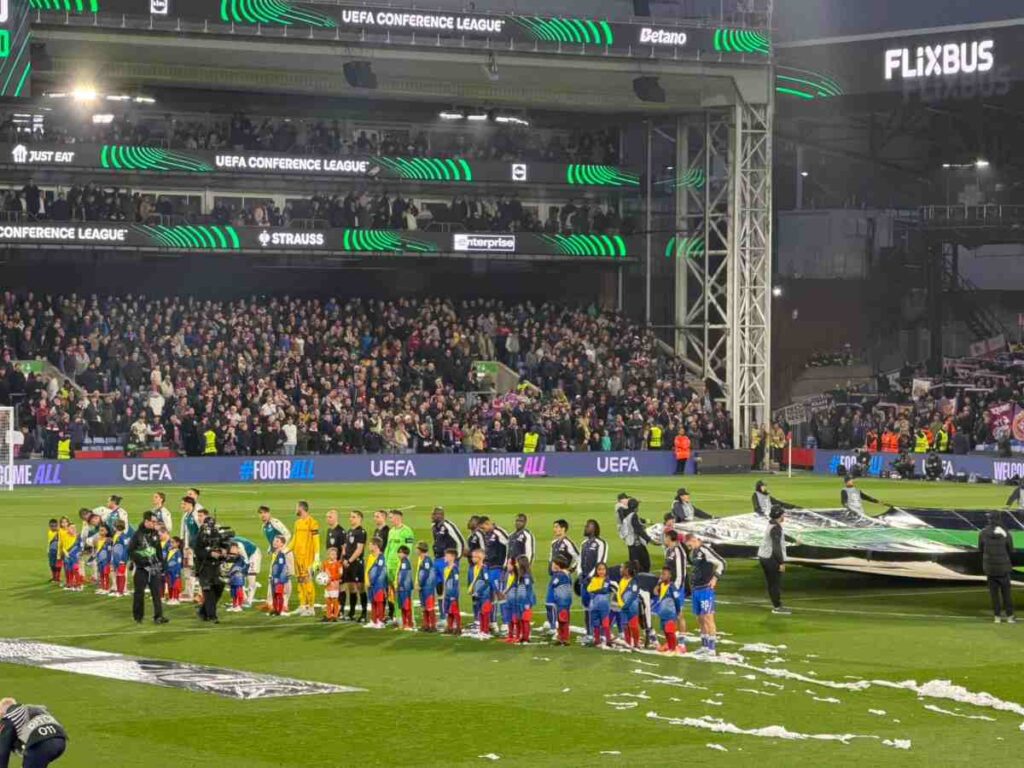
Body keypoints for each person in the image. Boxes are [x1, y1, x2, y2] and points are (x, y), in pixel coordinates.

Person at [685, 533, 725, 655]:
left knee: (708, 617)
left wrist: (715, 578)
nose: (689, 547)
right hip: (696, 589)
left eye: (689, 545)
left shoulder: (705, 550)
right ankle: (704, 646)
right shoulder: (694, 552)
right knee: (700, 619)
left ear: (694, 540)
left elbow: (722, 563)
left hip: (705, 589)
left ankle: (712, 649)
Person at [0, 697, 67, 768]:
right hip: (60, 740)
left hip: (40, 744)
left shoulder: (9, 718)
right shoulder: (36, 708)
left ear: (1, 711)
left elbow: (2, 751)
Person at [128, 511, 168, 625]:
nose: (155, 524)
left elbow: (158, 550)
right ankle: (138, 617)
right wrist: (142, 561)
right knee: (139, 593)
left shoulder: (154, 533)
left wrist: (162, 564)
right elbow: (131, 551)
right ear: (146, 521)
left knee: (157, 593)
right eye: (153, 522)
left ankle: (158, 616)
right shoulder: (137, 535)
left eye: (155, 522)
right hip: (142, 569)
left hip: (154, 568)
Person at [979, 511, 1016, 624]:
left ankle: (997, 617)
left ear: (989, 519)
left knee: (994, 595)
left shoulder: (983, 533)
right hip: (1003, 568)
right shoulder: (1005, 533)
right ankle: (1010, 617)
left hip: (990, 569)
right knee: (1007, 594)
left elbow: (981, 549)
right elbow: (1011, 550)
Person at [287, 501, 321, 617]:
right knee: (300, 581)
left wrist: (317, 557)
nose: (295, 509)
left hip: (308, 557)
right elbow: (295, 538)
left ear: (301, 508)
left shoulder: (312, 522)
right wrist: (286, 550)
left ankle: (311, 608)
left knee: (308, 581)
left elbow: (316, 540)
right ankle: (302, 605)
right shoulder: (297, 523)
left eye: (296, 507)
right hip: (298, 557)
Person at [193, 508, 226, 623]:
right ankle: (212, 616)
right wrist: (210, 553)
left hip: (215, 566)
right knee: (209, 591)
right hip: (204, 567)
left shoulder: (216, 533)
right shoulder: (200, 535)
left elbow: (223, 544)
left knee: (219, 587)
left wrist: (223, 551)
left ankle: (203, 611)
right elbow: (198, 551)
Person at [545, 519, 579, 633]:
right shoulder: (554, 543)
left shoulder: (568, 543)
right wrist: (550, 570)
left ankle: (562, 630)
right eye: (554, 527)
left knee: (562, 605)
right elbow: (551, 558)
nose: (554, 529)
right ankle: (553, 627)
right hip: (554, 576)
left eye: (557, 527)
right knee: (549, 603)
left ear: (563, 529)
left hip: (564, 578)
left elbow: (578, 557)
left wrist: (570, 570)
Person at [578, 519, 608, 643]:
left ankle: (602, 634)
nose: (585, 528)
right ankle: (589, 633)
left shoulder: (601, 543)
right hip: (584, 580)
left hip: (596, 580)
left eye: (588, 526)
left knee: (596, 607)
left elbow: (601, 561)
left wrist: (590, 576)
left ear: (594, 529)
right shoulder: (584, 543)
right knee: (586, 606)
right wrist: (580, 573)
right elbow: (580, 560)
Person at [383, 509, 415, 623]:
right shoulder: (391, 531)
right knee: (394, 593)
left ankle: (410, 618)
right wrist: (385, 562)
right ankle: (398, 617)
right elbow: (388, 547)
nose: (390, 520)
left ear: (398, 517)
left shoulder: (407, 531)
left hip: (400, 567)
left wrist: (402, 564)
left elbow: (408, 549)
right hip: (390, 566)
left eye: (391, 517)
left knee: (404, 593)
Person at [758, 509, 789, 614]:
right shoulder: (776, 528)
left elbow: (780, 536)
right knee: (775, 583)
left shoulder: (772, 524)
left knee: (772, 583)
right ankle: (777, 607)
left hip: (764, 556)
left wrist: (793, 540)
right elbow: (776, 547)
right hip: (771, 558)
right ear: (779, 515)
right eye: (783, 514)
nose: (784, 516)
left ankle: (776, 605)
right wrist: (781, 562)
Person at [260, 506, 292, 607]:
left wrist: (282, 548)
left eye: (265, 513)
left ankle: (285, 603)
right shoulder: (264, 526)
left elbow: (287, 534)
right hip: (276, 553)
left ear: (269, 513)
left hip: (284, 553)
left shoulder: (275, 523)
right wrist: (270, 547)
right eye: (261, 513)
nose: (263, 515)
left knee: (285, 577)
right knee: (271, 577)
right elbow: (272, 539)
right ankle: (269, 603)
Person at [431, 506, 466, 593]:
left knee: (450, 585)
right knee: (438, 585)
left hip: (448, 560)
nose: (431, 516)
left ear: (440, 515)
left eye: (434, 514)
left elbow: (460, 541)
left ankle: (452, 602)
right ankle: (441, 601)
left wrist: (457, 558)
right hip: (438, 559)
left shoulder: (448, 526)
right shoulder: (434, 526)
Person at [342, 510, 368, 622]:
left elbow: (359, 549)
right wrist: (344, 558)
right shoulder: (349, 531)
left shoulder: (361, 532)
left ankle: (364, 613)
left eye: (353, 517)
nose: (351, 519)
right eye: (350, 516)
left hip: (356, 563)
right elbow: (346, 547)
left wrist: (349, 560)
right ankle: (351, 612)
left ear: (359, 518)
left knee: (360, 588)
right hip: (348, 563)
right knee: (351, 587)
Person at [653, 567, 685, 655]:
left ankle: (673, 649)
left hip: (671, 612)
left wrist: (678, 611)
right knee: (665, 631)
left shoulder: (672, 587)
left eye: (664, 574)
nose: (662, 576)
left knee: (670, 630)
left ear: (670, 576)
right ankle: (670, 647)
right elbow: (656, 593)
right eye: (662, 574)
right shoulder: (661, 585)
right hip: (663, 613)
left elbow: (676, 599)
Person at [617, 497, 652, 573]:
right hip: (636, 544)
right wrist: (648, 539)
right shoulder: (633, 515)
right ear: (635, 508)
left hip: (630, 543)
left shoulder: (625, 513)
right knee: (645, 563)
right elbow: (638, 530)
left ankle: (634, 576)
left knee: (633, 564)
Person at [469, 548, 494, 637]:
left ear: (480, 558)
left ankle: (486, 631)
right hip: (476, 595)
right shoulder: (473, 569)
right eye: (472, 557)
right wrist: (472, 591)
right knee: (480, 612)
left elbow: (487, 582)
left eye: (475, 557)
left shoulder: (484, 569)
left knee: (485, 612)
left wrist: (479, 591)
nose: (473, 558)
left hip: (485, 595)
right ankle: (481, 630)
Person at [510, 555, 536, 645]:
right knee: (520, 618)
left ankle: (526, 638)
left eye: (517, 563)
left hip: (525, 601)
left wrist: (528, 602)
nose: (516, 564)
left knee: (525, 619)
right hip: (519, 601)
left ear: (521, 564)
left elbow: (529, 590)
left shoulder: (526, 577)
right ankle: (522, 637)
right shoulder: (519, 576)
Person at [616, 562, 641, 649]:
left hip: (632, 609)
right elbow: (619, 594)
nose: (620, 569)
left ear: (627, 570)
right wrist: (621, 605)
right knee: (625, 626)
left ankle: (636, 643)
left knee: (633, 626)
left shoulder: (634, 582)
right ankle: (628, 643)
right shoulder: (621, 581)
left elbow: (633, 595)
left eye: (622, 568)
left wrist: (626, 605)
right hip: (623, 608)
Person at [587, 562, 613, 647]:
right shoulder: (594, 579)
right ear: (596, 570)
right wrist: (597, 590)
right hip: (594, 603)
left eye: (603, 569)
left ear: (606, 570)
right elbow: (589, 589)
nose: (601, 571)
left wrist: (595, 590)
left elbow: (604, 590)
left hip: (603, 604)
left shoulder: (607, 580)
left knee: (605, 622)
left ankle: (608, 640)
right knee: (595, 622)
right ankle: (597, 640)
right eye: (599, 569)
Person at [549, 556, 573, 646]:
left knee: (562, 619)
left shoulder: (559, 575)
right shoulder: (566, 573)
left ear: (557, 565)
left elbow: (552, 584)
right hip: (566, 600)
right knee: (563, 619)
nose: (552, 565)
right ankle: (562, 637)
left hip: (562, 601)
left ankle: (564, 638)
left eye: (553, 564)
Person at [232, 535, 261, 606]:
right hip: (243, 554)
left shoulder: (237, 544)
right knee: (238, 576)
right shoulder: (229, 543)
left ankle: (249, 601)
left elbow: (245, 559)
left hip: (253, 554)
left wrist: (244, 569)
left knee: (251, 576)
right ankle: (244, 598)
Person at [366, 537, 388, 629]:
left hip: (378, 584)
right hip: (370, 584)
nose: (368, 546)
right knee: (373, 602)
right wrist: (367, 581)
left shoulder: (381, 558)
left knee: (379, 602)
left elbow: (379, 572)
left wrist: (372, 581)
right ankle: (374, 620)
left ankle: (380, 621)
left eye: (370, 544)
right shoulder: (370, 556)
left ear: (376, 546)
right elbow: (367, 570)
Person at [416, 541, 438, 632]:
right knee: (424, 607)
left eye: (417, 548)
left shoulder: (427, 560)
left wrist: (420, 584)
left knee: (429, 607)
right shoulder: (423, 559)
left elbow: (425, 574)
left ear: (420, 550)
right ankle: (426, 625)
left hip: (427, 588)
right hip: (424, 587)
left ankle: (433, 626)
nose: (416, 550)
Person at [269, 535, 290, 616]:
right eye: (274, 540)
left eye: (277, 541)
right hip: (274, 577)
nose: (275, 542)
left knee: (279, 594)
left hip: (279, 578)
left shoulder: (281, 554)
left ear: (282, 544)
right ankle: (275, 609)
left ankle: (279, 610)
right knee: (274, 594)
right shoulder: (275, 553)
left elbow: (281, 566)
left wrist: (278, 578)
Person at [442, 547, 461, 635]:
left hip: (453, 593)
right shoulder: (446, 568)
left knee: (455, 611)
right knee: (448, 611)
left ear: (452, 557)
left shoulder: (454, 569)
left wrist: (454, 595)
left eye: (447, 555)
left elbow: (455, 583)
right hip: (447, 593)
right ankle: (449, 627)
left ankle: (458, 628)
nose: (445, 557)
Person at [395, 546, 415, 631]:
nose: (399, 554)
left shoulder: (405, 562)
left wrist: (398, 585)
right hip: (402, 587)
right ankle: (405, 624)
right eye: (398, 552)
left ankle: (408, 624)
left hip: (404, 588)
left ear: (405, 554)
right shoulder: (402, 561)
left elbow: (402, 576)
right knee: (403, 606)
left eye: (400, 552)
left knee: (406, 606)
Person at [321, 548, 343, 623]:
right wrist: (323, 579)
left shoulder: (338, 564)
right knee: (328, 600)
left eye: (335, 554)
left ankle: (335, 616)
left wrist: (331, 578)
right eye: (332, 554)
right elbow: (322, 573)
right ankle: (328, 615)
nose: (334, 556)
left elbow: (340, 574)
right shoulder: (325, 563)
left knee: (334, 600)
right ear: (328, 555)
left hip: (334, 585)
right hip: (327, 585)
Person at [110, 521, 130, 597]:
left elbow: (126, 549)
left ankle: (122, 590)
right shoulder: (115, 535)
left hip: (121, 559)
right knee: (117, 574)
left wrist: (123, 560)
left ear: (116, 527)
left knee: (121, 574)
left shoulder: (123, 537)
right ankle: (118, 590)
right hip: (115, 558)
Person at [226, 543, 247, 612]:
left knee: (238, 591)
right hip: (232, 577)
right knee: (233, 592)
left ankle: (239, 606)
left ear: (238, 549)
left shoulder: (240, 557)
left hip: (238, 577)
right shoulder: (229, 557)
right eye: (232, 548)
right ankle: (234, 605)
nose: (233, 550)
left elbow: (245, 565)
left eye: (235, 548)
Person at [165, 536, 183, 605]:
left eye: (173, 542)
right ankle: (171, 598)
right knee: (170, 585)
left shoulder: (178, 552)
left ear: (177, 543)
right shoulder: (170, 551)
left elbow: (179, 563)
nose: (171, 544)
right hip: (169, 571)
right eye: (170, 542)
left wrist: (177, 572)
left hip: (175, 572)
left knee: (175, 586)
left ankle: (176, 599)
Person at [93, 526, 111, 595]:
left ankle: (107, 588)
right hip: (99, 560)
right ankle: (102, 587)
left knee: (106, 574)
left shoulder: (108, 540)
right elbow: (96, 550)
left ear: (106, 532)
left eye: (102, 530)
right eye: (100, 530)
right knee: (101, 574)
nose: (101, 532)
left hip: (106, 560)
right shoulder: (96, 540)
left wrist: (109, 561)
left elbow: (109, 551)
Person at [47, 519, 60, 584]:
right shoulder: (50, 532)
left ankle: (57, 578)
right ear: (49, 526)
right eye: (52, 526)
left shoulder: (59, 532)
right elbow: (53, 538)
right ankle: (54, 577)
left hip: (58, 551)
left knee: (57, 565)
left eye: (55, 526)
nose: (53, 527)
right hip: (51, 551)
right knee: (52, 565)